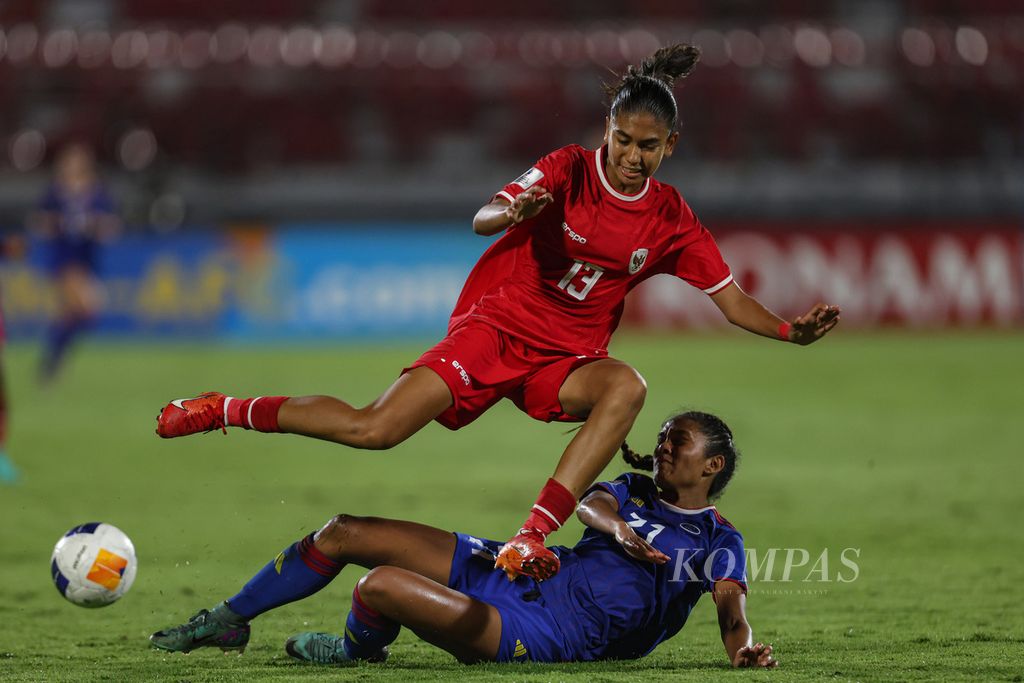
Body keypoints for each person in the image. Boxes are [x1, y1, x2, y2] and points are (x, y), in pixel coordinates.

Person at [155, 43, 839, 581]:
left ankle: (530, 535)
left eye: (646, 146)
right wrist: (515, 209)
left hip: (565, 361)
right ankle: (225, 408)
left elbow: (729, 299)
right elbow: (485, 217)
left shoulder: (670, 217)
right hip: (496, 328)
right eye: (623, 140)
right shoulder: (568, 169)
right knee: (376, 429)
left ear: (670, 148)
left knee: (627, 385)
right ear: (608, 129)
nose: (631, 157)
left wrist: (786, 329)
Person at [151, 410, 777, 668]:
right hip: (529, 570)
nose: (665, 443)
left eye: (680, 439)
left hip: (551, 634)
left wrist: (742, 651)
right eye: (665, 434)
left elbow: (730, 609)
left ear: (712, 465)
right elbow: (590, 506)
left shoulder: (719, 538)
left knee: (380, 588)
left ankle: (356, 651)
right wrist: (619, 530)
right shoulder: (634, 489)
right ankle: (226, 620)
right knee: (343, 532)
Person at [30, 143, 120, 383]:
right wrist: (58, 224)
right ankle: (52, 360)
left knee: (75, 315)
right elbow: (40, 222)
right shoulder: (56, 193)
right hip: (64, 260)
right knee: (86, 308)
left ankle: (53, 357)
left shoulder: (96, 193)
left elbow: (110, 227)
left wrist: (94, 226)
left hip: (87, 260)